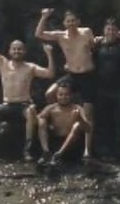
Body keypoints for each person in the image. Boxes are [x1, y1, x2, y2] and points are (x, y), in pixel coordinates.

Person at [0, 17, 56, 163]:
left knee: (31, 112)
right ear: (10, 51)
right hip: (6, 105)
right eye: (14, 49)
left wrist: (49, 54)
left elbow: (50, 74)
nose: (17, 51)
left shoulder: (30, 67)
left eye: (20, 49)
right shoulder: (3, 63)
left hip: (24, 105)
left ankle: (27, 149)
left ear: (24, 51)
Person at [36, 8, 96, 160]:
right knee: (49, 93)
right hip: (72, 75)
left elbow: (94, 46)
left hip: (88, 75)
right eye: (68, 21)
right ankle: (57, 121)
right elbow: (39, 34)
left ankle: (87, 150)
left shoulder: (86, 32)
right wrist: (44, 17)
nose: (71, 24)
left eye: (73, 20)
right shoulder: (60, 36)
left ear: (78, 22)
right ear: (64, 23)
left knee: (88, 112)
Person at [93, 18, 120, 160]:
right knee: (105, 122)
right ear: (104, 31)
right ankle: (106, 152)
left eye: (113, 29)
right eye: (108, 29)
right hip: (102, 89)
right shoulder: (98, 46)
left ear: (118, 32)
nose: (110, 32)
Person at [37, 83, 91, 166]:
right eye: (61, 95)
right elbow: (37, 120)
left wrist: (79, 119)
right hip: (56, 141)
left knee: (77, 125)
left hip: (72, 145)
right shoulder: (51, 108)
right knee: (42, 121)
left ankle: (59, 154)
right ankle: (46, 152)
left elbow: (88, 128)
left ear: (71, 96)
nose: (63, 97)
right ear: (56, 96)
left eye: (66, 95)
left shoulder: (77, 108)